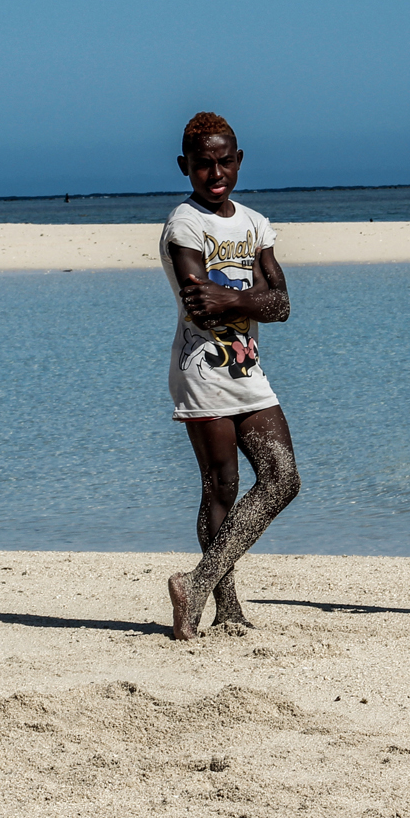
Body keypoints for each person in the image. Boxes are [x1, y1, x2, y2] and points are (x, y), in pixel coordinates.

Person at [161, 112, 301, 641]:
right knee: (221, 485)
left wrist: (235, 298)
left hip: (249, 371)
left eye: (224, 161)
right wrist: (248, 299)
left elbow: (282, 304)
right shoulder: (185, 226)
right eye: (203, 165)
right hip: (203, 371)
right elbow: (201, 308)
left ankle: (194, 584)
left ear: (239, 161)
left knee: (283, 480)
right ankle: (228, 607)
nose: (215, 173)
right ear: (185, 168)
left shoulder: (256, 224)